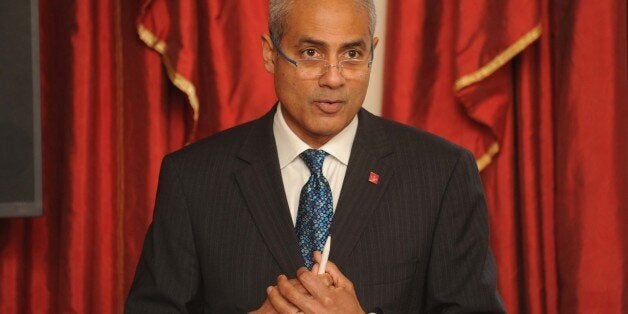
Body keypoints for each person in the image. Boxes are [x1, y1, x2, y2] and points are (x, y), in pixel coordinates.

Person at [125, 0, 505, 313]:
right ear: (270, 54)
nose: (334, 78)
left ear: (373, 52)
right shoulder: (193, 177)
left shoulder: (441, 173)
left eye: (352, 54)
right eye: (311, 53)